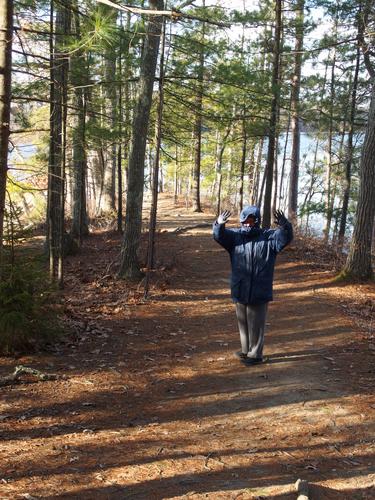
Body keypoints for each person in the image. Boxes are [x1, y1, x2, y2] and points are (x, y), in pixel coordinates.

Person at [213, 205, 293, 366]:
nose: (247, 225)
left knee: (256, 324)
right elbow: (219, 236)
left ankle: (255, 354)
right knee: (242, 322)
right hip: (240, 286)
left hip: (259, 288)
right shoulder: (235, 237)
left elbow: (285, 238)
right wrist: (219, 224)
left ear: (256, 221)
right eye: (244, 222)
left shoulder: (269, 237)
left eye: (250, 222)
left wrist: (285, 226)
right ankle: (245, 350)